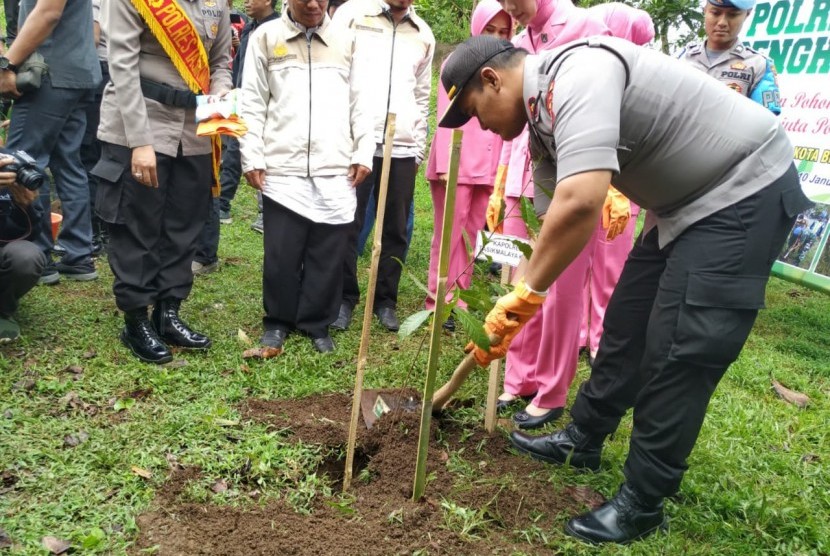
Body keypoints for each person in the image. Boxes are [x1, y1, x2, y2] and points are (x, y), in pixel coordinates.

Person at [438, 35, 811, 544]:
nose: (480, 125)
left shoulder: (578, 75)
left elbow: (581, 202)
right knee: (627, 323)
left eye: (474, 112)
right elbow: (556, 224)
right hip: (680, 204)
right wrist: (521, 300)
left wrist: (523, 294)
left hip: (742, 190)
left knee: (682, 344)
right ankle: (583, 438)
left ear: (491, 79)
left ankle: (643, 500)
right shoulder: (542, 125)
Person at [487, 0, 610, 429]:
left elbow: (609, 109)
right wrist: (501, 178)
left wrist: (610, 183)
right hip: (523, 178)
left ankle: (552, 389)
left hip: (569, 179)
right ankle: (518, 377)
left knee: (560, 286)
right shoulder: (519, 42)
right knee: (520, 279)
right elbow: (511, 120)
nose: (509, 7)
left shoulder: (586, 27)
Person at [93, 0, 232, 364]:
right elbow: (121, 65)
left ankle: (168, 312)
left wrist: (222, 95)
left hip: (195, 125)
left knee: (184, 224)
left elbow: (219, 62)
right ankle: (136, 319)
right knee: (136, 222)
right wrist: (140, 141)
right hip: (140, 118)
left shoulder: (216, 2)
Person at [239, 0, 373, 353]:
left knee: (327, 251)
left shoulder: (348, 40)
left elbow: (362, 102)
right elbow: (252, 100)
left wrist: (363, 151)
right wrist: (251, 154)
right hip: (282, 165)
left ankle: (316, 322)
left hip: (335, 164)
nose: (313, 4)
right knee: (281, 251)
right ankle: (278, 322)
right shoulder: (266, 38)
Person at [331, 0, 434, 333]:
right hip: (355, 142)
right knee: (347, 221)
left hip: (401, 146)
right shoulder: (352, 14)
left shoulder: (423, 34)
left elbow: (421, 95)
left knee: (396, 228)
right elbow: (334, 72)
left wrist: (417, 149)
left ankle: (385, 301)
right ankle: (344, 298)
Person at [424, 0, 513, 329]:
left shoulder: (511, 69)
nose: (497, 36)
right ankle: (440, 300)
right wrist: (449, 162)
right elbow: (447, 116)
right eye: (490, 29)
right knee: (448, 233)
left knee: (474, 234)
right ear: (477, 27)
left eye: (504, 31)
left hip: (490, 168)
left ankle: (459, 297)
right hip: (457, 163)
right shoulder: (457, 61)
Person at [0, 0, 102, 285]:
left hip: (48, 74)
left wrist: (7, 64)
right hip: (76, 73)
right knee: (69, 164)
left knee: (22, 163)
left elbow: (48, 13)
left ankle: (40, 254)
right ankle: (79, 255)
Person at [579, 2, 654, 365]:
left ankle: (600, 338)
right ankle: (580, 331)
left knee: (611, 264)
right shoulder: (588, 72)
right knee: (578, 258)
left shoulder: (645, 79)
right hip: (587, 178)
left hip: (624, 185)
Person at [678, 0, 781, 115]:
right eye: (715, 13)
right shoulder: (682, 58)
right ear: (705, 11)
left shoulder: (759, 65)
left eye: (732, 15)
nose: (722, 22)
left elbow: (766, 121)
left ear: (747, 14)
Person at [0, 159, 47, 342]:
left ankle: (3, 310)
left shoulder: (10, 166)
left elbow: (32, 233)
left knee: (27, 257)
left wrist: (25, 206)